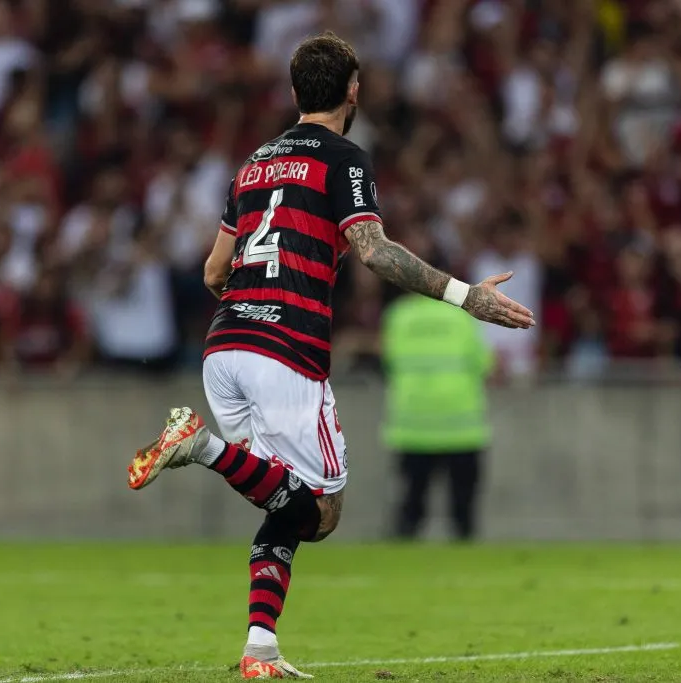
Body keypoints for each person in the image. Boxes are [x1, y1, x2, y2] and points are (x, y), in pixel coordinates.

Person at [125, 32, 534, 680]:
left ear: (294, 92)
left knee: (284, 499)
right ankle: (199, 445)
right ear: (354, 91)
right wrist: (466, 296)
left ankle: (260, 648)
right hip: (285, 352)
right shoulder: (343, 159)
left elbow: (213, 271)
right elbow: (373, 250)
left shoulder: (252, 165)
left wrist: (252, 303)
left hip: (224, 346)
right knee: (321, 511)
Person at [381, 293, 494, 541]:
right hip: (461, 425)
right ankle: (464, 552)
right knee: (463, 509)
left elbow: (390, 361)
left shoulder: (399, 316)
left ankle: (402, 552)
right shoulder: (463, 315)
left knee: (411, 505)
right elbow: (484, 363)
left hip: (413, 425)